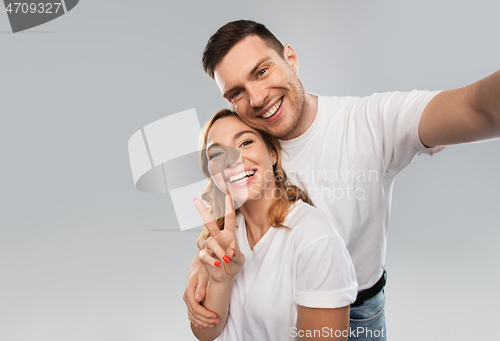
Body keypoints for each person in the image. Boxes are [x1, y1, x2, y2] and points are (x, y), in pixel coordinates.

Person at [184, 20, 500, 340]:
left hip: (357, 310)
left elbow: (478, 108)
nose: (256, 98)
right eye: (236, 92)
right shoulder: (247, 146)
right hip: (268, 305)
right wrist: (206, 267)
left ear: (290, 58)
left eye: (262, 71)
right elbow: (228, 220)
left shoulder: (370, 124)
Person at [191, 108, 358, 341]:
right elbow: (205, 333)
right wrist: (221, 279)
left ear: (273, 153)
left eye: (245, 142)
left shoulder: (315, 238)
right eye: (217, 155)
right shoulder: (223, 235)